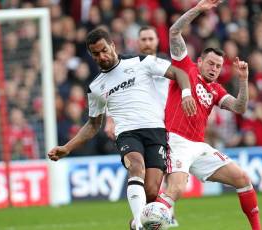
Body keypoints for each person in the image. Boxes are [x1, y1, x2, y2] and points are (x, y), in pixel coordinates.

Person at [47, 27, 196, 230]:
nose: (102, 56)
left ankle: (137, 223)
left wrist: (186, 94)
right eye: (96, 54)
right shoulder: (96, 87)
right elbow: (93, 125)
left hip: (156, 131)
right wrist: (67, 147)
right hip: (127, 134)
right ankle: (138, 222)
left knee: (152, 191)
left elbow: (178, 73)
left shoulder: (141, 62)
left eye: (104, 50)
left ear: (113, 46)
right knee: (136, 166)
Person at [156, 1, 261, 229]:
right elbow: (174, 31)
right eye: (210, 63)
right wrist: (198, 10)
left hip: (199, 145)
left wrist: (243, 82)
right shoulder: (185, 66)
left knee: (242, 178)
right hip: (177, 140)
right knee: (175, 189)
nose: (214, 68)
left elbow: (239, 107)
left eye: (218, 65)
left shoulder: (216, 89)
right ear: (200, 61)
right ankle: (145, 221)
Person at [103, 25, 181, 227]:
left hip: (166, 125)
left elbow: (180, 87)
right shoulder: (131, 66)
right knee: (140, 171)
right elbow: (116, 93)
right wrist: (110, 118)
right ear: (138, 42)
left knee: (167, 177)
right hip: (136, 126)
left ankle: (161, 214)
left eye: (150, 39)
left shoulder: (165, 66)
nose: (147, 43)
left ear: (157, 41)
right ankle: (147, 218)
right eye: (143, 39)